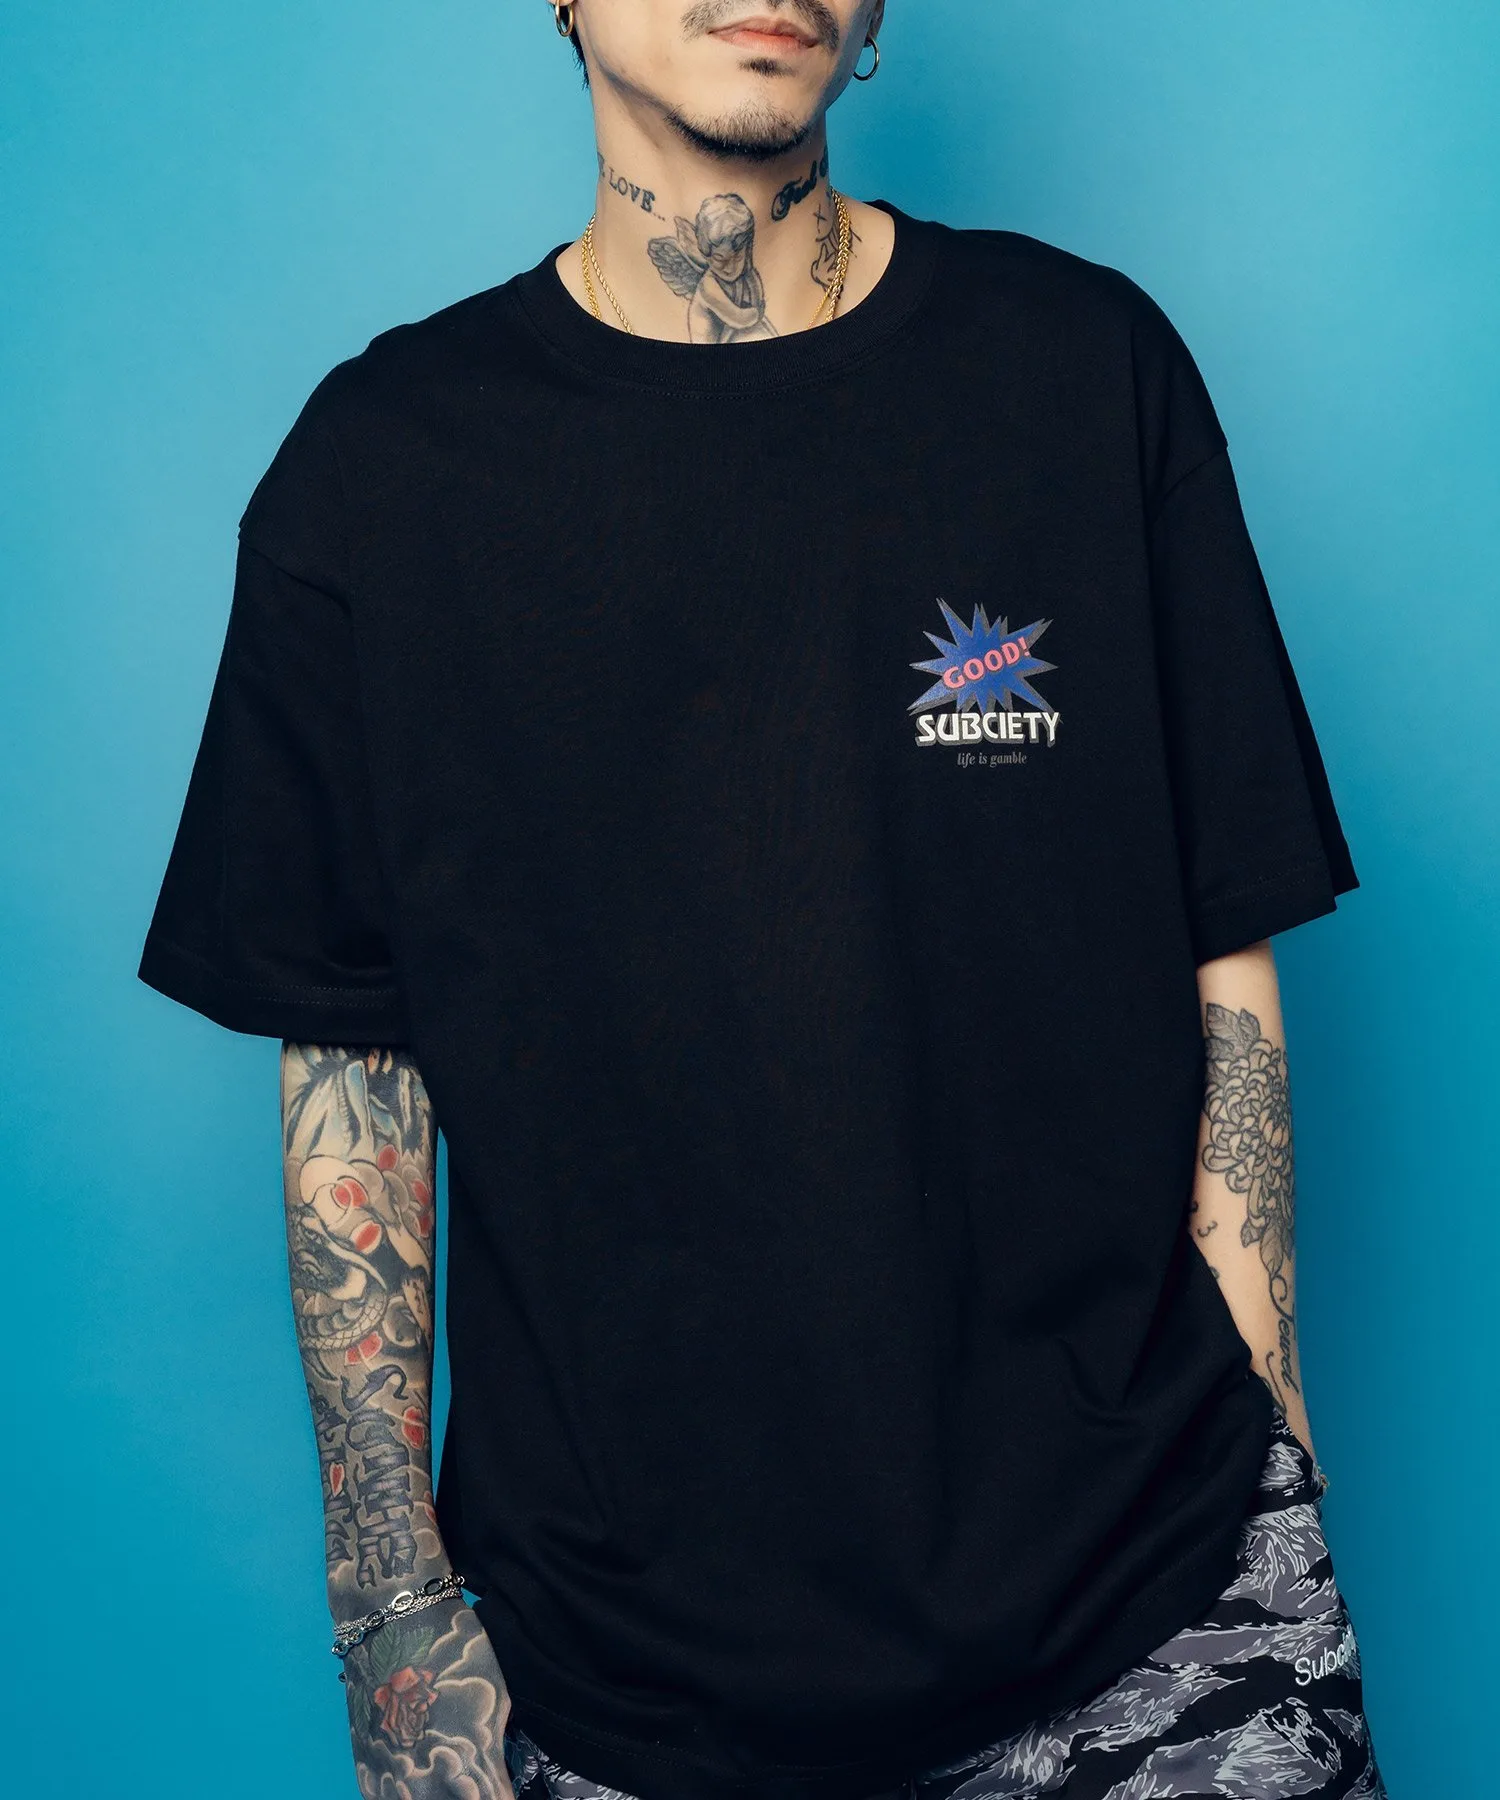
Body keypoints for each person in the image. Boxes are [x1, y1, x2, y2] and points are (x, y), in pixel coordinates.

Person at [136, 3, 1388, 1796]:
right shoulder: (380, 476)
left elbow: (1220, 932)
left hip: (1159, 1605)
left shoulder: (1081, 368)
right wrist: (393, 1613)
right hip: (626, 1684)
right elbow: (354, 1072)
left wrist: (1269, 1446)